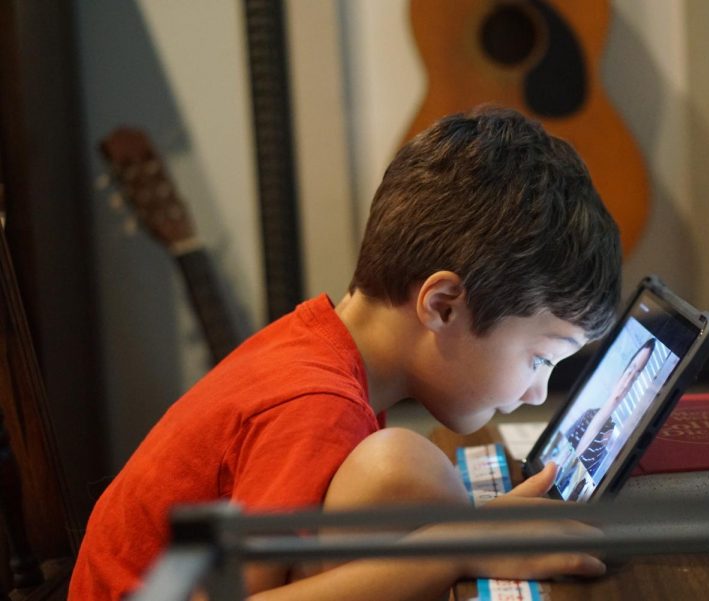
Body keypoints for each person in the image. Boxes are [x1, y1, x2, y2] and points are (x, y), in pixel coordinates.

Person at [69, 106, 623, 600]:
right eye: (541, 359)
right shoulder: (315, 406)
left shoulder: (318, 346)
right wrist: (458, 546)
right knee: (398, 468)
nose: (538, 392)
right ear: (445, 306)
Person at [566, 338, 656, 476]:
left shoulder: (613, 438)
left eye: (637, 374)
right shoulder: (589, 414)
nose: (628, 381)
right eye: (631, 369)